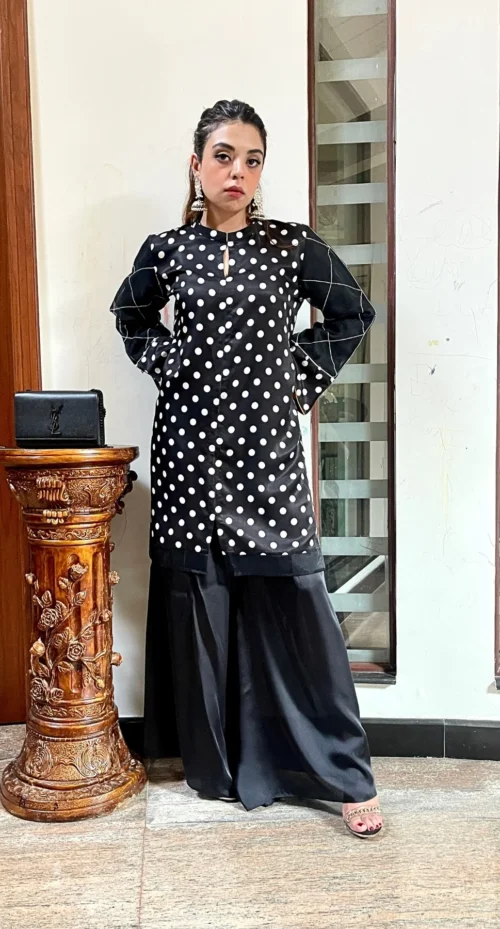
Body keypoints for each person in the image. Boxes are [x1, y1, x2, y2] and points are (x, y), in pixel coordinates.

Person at [110, 99, 384, 838]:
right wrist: (169, 363)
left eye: (253, 160)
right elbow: (131, 317)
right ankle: (217, 761)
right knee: (201, 593)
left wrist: (296, 376)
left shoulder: (292, 247)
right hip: (190, 452)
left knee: (294, 595)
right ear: (197, 164)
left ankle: (342, 772)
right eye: (225, 156)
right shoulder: (167, 250)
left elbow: (352, 313)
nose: (238, 172)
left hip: (265, 454)